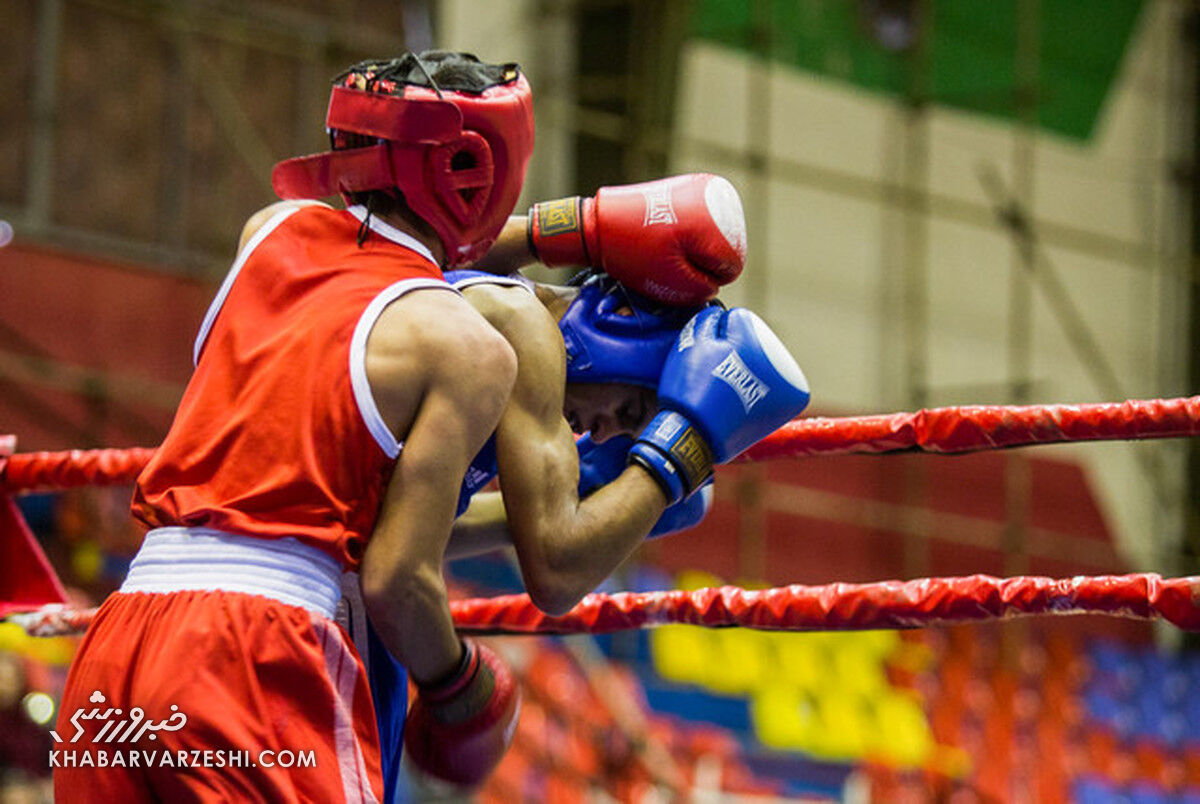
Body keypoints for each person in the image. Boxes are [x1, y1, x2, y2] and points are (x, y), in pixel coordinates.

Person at [54, 50, 804, 802]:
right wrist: (680, 447)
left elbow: (371, 517)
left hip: (121, 643)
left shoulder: (271, 233)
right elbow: (516, 574)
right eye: (632, 411)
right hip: (263, 655)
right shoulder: (480, 344)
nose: (605, 433)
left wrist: (571, 230)